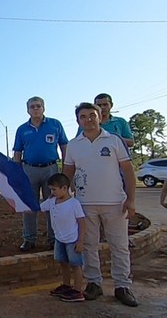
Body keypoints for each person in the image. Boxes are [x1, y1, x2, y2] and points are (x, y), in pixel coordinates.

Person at [63, 102, 138, 307]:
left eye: (92, 115)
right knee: (88, 246)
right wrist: (64, 199)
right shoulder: (73, 145)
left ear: (100, 116)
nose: (88, 119)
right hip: (85, 204)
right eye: (83, 116)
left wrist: (131, 199)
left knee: (120, 247)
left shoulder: (114, 141)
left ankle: (122, 286)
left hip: (115, 203)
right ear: (78, 121)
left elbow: (128, 172)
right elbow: (67, 172)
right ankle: (94, 284)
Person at [13, 96, 68, 252]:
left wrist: (65, 168)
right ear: (27, 110)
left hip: (51, 169)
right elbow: (17, 151)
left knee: (53, 204)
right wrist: (17, 173)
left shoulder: (55, 124)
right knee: (29, 206)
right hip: (29, 170)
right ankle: (29, 239)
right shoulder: (22, 129)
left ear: (44, 108)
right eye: (32, 107)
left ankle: (53, 238)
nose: (35, 109)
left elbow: (64, 146)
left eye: (38, 106)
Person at [41, 173, 86, 302]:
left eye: (54, 189)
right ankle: (66, 285)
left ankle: (78, 291)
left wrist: (80, 241)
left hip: (72, 240)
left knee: (75, 265)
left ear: (65, 188)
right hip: (59, 239)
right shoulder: (51, 202)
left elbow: (82, 222)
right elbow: (38, 208)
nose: (52, 192)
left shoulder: (74, 204)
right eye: (51, 189)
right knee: (63, 262)